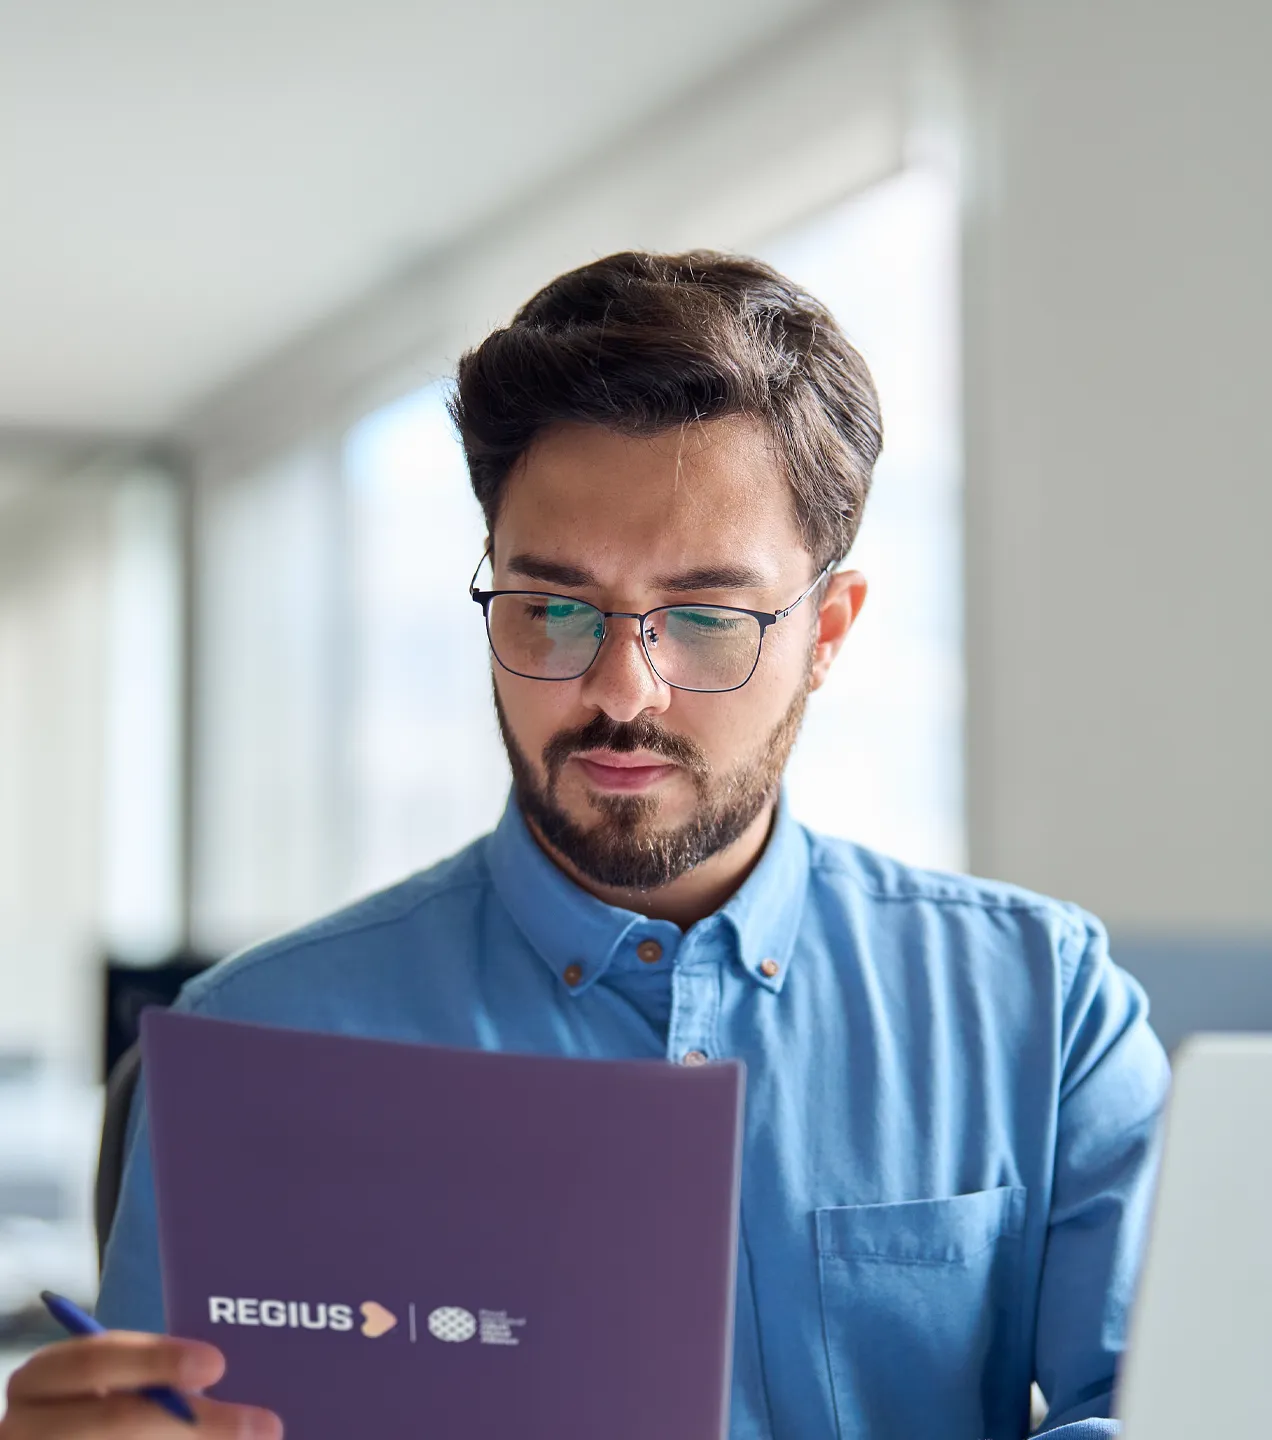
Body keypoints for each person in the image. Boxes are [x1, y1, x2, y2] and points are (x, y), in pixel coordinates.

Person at [2, 252, 1168, 1440]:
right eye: (552, 607)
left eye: (707, 618)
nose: (623, 690)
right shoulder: (247, 1042)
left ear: (827, 631)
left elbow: (1168, 1413)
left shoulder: (1042, 1005)